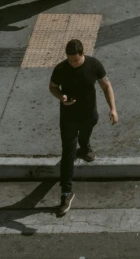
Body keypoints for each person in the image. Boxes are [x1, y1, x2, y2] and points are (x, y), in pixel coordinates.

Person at [49, 39, 118, 216]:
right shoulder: (61, 68)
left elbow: (106, 85)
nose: (72, 63)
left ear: (82, 54)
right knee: (67, 153)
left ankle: (85, 147)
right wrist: (61, 97)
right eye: (69, 60)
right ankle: (66, 192)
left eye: (75, 60)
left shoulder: (94, 65)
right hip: (69, 118)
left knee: (86, 133)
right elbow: (53, 87)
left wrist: (113, 109)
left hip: (89, 115)